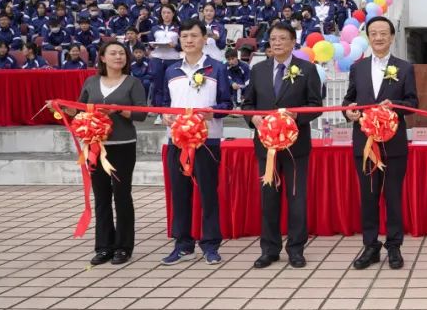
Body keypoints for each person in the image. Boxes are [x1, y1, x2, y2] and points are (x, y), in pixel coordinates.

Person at [242, 22, 324, 269]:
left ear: (292, 42)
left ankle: (296, 249)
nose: (276, 43)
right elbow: (247, 104)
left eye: (282, 38)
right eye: (273, 38)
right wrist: (252, 117)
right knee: (269, 199)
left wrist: (297, 116)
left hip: (295, 147)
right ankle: (270, 249)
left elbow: (315, 105)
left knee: (296, 199)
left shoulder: (307, 69)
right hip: (266, 146)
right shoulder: (258, 70)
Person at [344, 16, 419, 270]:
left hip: (393, 144)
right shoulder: (358, 68)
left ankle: (394, 246)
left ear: (392, 37)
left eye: (383, 33)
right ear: (367, 36)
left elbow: (412, 103)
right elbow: (348, 100)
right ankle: (370, 246)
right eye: (373, 33)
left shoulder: (404, 67)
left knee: (394, 196)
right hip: (364, 142)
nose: (378, 37)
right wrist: (349, 111)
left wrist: (394, 107)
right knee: (368, 196)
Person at [161, 20, 232, 266]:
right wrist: (164, 116)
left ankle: (211, 244)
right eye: (184, 36)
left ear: (204, 39)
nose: (189, 40)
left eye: (194, 36)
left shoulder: (217, 68)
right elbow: (160, 103)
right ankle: (182, 244)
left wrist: (214, 112)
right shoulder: (170, 71)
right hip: (177, 141)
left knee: (208, 193)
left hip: (207, 140)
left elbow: (227, 105)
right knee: (179, 193)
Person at [71, 41, 148, 265]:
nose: (118, 57)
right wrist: (63, 110)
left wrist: (118, 111)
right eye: (113, 53)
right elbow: (80, 109)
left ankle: (124, 246)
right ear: (102, 58)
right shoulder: (91, 82)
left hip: (123, 145)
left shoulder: (133, 83)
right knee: (101, 196)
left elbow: (141, 114)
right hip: (95, 147)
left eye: (122, 53)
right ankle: (104, 246)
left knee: (122, 195)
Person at [149, 5, 182, 110]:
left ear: (173, 14)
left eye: (168, 12)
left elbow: (182, 46)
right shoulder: (155, 28)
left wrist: (175, 45)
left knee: (172, 85)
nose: (166, 15)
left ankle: (172, 108)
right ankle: (160, 111)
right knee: (158, 85)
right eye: (164, 13)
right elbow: (149, 42)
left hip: (173, 59)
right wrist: (152, 45)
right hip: (157, 58)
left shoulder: (179, 28)